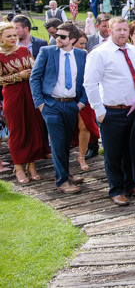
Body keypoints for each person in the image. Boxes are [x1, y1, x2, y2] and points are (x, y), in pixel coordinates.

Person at [83, 17, 135, 206]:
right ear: (110, 31)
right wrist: (99, 111)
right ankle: (116, 190)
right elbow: (89, 83)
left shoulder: (133, 51)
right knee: (113, 154)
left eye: (124, 30)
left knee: (131, 150)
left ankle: (130, 184)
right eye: (118, 30)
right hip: (111, 112)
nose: (122, 33)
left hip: (134, 110)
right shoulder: (100, 54)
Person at [30, 23, 87, 194]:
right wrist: (40, 104)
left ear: (73, 39)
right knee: (57, 143)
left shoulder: (81, 55)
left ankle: (64, 174)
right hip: (51, 104)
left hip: (71, 104)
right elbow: (35, 78)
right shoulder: (47, 52)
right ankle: (62, 181)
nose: (57, 39)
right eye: (56, 35)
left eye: (62, 36)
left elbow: (87, 80)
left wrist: (81, 103)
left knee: (66, 143)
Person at [0, 22, 50, 184]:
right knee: (17, 130)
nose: (13, 38)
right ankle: (18, 166)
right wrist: (18, 76)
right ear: (1, 38)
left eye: (15, 35)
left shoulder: (24, 50)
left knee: (33, 127)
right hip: (13, 95)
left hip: (30, 92)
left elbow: (35, 68)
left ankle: (31, 164)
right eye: (9, 36)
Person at [72, 29, 100, 171]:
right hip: (68, 95)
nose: (83, 47)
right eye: (80, 44)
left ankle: (81, 156)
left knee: (84, 125)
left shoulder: (86, 55)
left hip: (85, 94)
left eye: (84, 44)